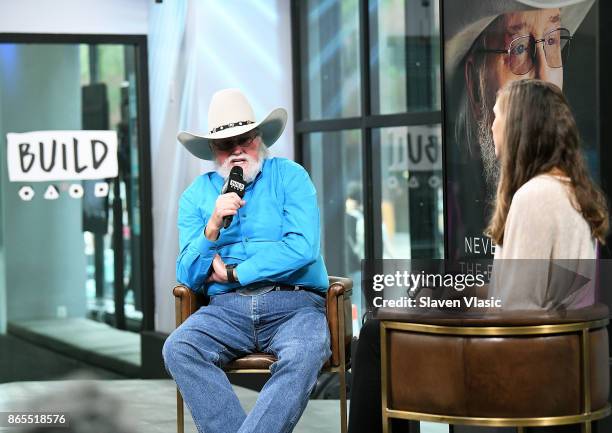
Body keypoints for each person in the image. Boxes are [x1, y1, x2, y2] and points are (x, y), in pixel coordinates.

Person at [348, 79, 608, 433]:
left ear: (519, 128)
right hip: (557, 362)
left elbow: (517, 311)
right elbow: (529, 291)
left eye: (497, 116)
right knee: (392, 326)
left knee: (378, 334)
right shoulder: (567, 190)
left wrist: (451, 308)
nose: (490, 126)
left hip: (523, 367)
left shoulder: (536, 196)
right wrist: (458, 291)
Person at [162, 88, 331, 433]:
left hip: (294, 303)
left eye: (245, 140)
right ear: (214, 150)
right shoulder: (197, 195)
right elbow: (187, 275)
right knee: (179, 347)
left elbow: (302, 248)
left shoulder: (290, 176)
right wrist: (211, 228)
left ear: (259, 139)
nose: (237, 150)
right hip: (226, 310)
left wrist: (237, 272)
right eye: (227, 144)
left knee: (306, 352)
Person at [444, 0, 595, 259]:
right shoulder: (560, 191)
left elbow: (518, 297)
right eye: (520, 47)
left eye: (552, 42)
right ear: (474, 85)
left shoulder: (533, 197)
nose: (545, 76)